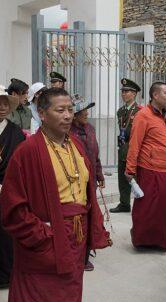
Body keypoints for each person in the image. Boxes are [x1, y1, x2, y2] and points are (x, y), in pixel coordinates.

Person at [0, 87, 112, 302]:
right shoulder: (27, 151)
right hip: (46, 242)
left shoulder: (77, 145)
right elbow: (12, 210)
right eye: (59, 110)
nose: (67, 116)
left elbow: (86, 194)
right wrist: (44, 235)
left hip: (76, 237)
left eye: (70, 109)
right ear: (41, 114)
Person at [125, 82, 166, 251]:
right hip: (148, 169)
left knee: (162, 210)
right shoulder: (143, 115)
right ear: (155, 95)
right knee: (146, 208)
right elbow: (135, 143)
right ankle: (141, 241)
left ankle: (159, 242)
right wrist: (130, 169)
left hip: (165, 170)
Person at [0, 86, 25, 288]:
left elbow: (20, 161)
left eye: (5, 104)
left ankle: (7, 274)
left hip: (7, 188)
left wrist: (7, 184)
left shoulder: (15, 131)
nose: (2, 108)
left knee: (7, 232)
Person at [69, 94, 104, 272]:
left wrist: (99, 174)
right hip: (74, 182)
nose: (86, 113)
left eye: (87, 110)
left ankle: (87, 250)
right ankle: (77, 254)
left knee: (91, 215)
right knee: (77, 217)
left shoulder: (90, 128)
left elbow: (95, 154)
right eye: (83, 111)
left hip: (91, 181)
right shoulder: (68, 131)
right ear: (74, 114)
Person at [110, 78, 141, 213]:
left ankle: (140, 203)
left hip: (135, 147)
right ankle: (124, 204)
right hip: (123, 147)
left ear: (134, 94)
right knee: (122, 177)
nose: (123, 94)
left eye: (127, 91)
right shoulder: (121, 111)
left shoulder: (140, 111)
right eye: (122, 91)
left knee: (136, 176)